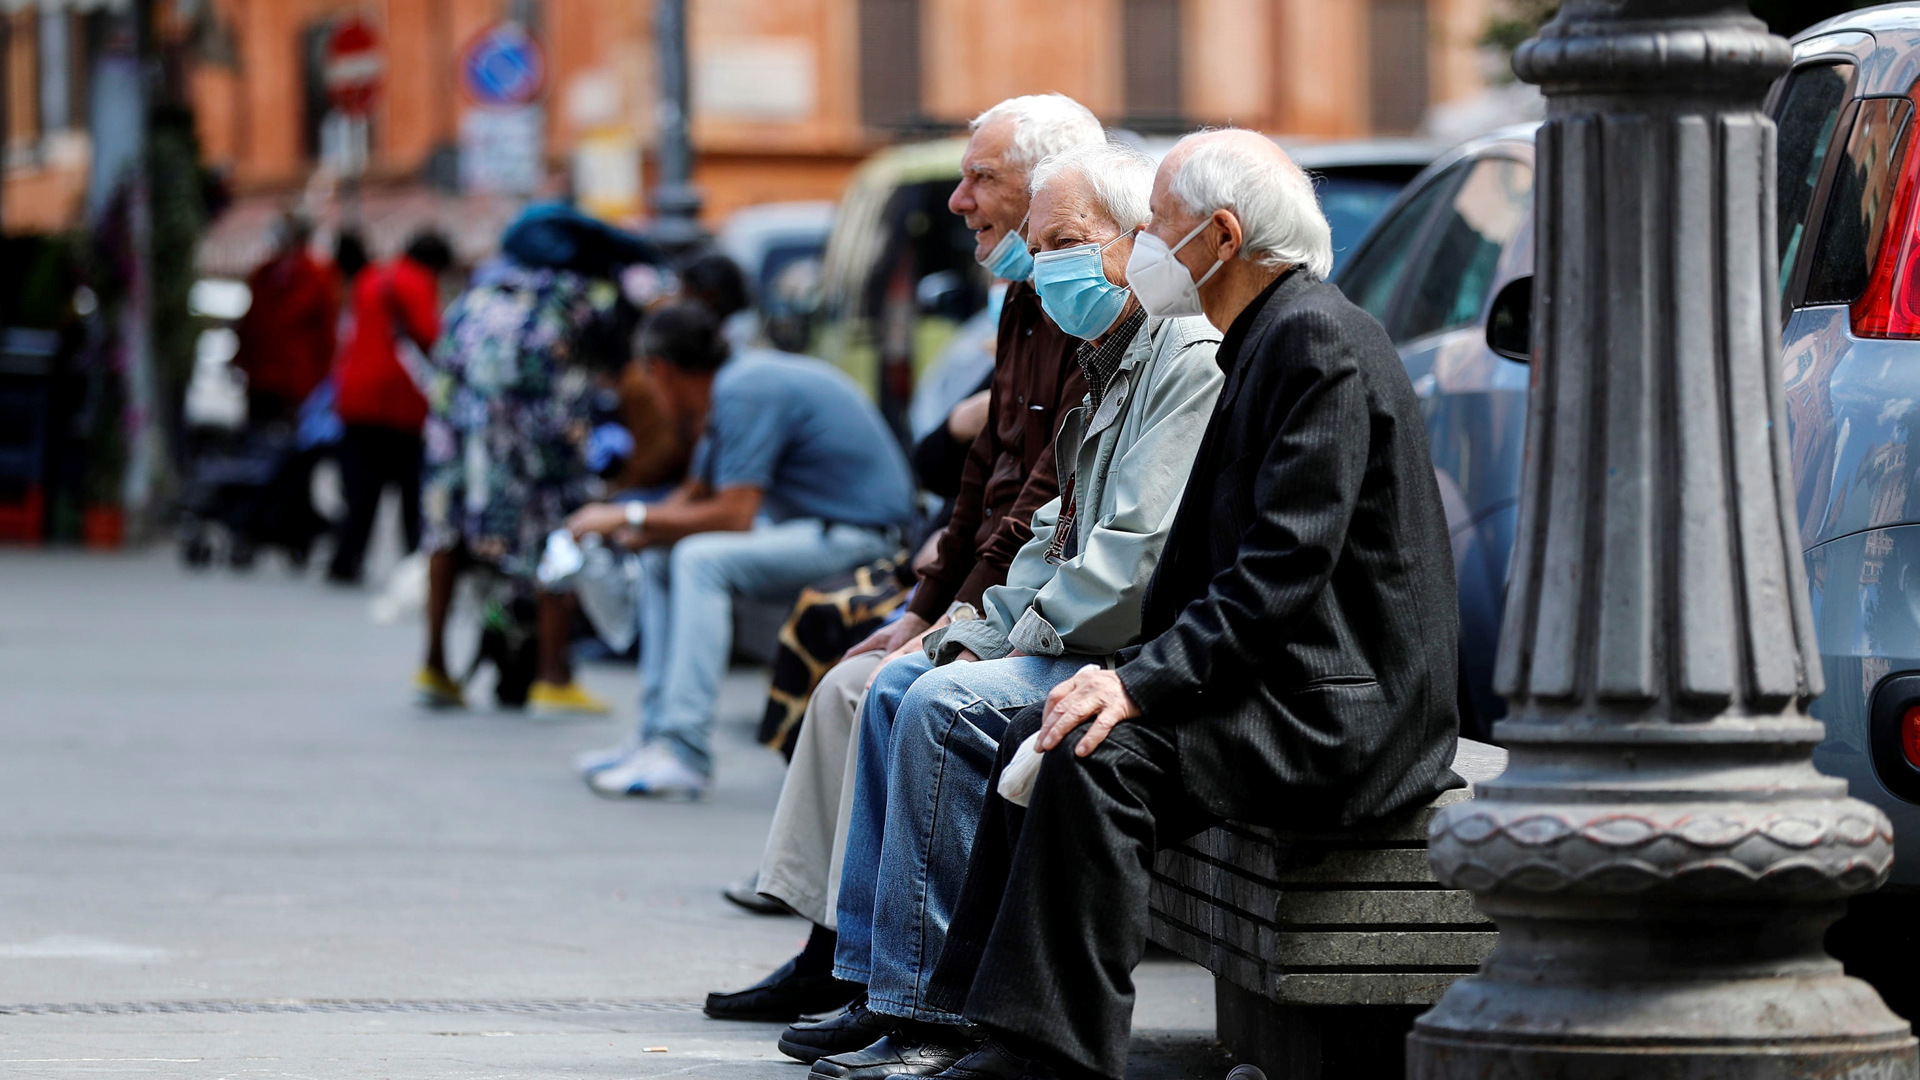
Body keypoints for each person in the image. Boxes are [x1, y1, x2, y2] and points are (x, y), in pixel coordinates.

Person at [915, 129, 1464, 1080]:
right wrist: (1121, 676)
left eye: (1157, 226)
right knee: (1045, 729)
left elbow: (1282, 568)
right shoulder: (1270, 334)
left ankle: (1046, 1056)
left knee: (1094, 757)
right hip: (1295, 685)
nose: (1142, 247)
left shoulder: (1313, 340)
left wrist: (1138, 685)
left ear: (1220, 236)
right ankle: (971, 1026)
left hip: (1345, 714)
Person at [790, 141, 1225, 1080]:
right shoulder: (1113, 351)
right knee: (901, 680)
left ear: (1132, 242)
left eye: (1068, 241)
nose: (1049, 262)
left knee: (946, 705)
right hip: (1079, 630)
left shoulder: (1180, 354)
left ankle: (930, 1013)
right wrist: (971, 626)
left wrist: (1005, 640)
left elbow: (1129, 559)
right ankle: (875, 984)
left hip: (1124, 651)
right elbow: (1053, 525)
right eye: (1044, 242)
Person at [701, 93, 1103, 1026]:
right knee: (851, 677)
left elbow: (1044, 501)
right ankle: (832, 946)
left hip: (1039, 604)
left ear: (1047, 189)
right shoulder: (1023, 299)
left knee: (882, 689)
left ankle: (867, 966)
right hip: (994, 590)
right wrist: (922, 608)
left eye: (979, 179)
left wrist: (956, 618)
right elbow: (981, 478)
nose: (959, 202)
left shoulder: (1084, 312)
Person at [566, 303, 916, 798]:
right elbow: (695, 494)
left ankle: (684, 750)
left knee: (699, 560)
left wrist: (631, 516)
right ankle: (653, 735)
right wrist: (633, 527)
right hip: (816, 525)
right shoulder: (729, 385)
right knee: (664, 555)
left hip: (864, 534)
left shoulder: (744, 389)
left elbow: (735, 514)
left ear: (659, 370)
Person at [415, 254, 641, 713]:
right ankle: (552, 677)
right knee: (557, 536)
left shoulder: (473, 301)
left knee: (447, 538)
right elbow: (576, 393)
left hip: (461, 447)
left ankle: (434, 665)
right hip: (530, 455)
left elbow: (443, 382)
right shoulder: (568, 304)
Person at [327, 231, 454, 585]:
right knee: (411, 491)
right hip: (399, 401)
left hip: (355, 395)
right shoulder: (418, 282)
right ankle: (415, 566)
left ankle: (345, 560)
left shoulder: (370, 276)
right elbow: (430, 334)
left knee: (360, 491)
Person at [233, 213, 338, 425]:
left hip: (297, 382)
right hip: (262, 379)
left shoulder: (316, 275)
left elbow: (325, 332)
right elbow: (251, 323)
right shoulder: (265, 273)